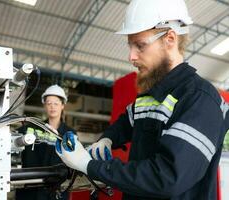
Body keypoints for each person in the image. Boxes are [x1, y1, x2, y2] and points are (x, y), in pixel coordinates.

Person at [55, 0, 228, 199]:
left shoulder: (200, 99)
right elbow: (126, 122)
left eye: (140, 45)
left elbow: (166, 177)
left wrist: (90, 165)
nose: (131, 56)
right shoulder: (151, 93)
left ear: (169, 39)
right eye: (130, 46)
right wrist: (107, 139)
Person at [16, 84, 76, 200]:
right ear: (44, 105)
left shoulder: (69, 134)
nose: (52, 107)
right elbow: (11, 137)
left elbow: (75, 161)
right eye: (49, 103)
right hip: (30, 190)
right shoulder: (31, 128)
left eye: (56, 103)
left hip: (56, 191)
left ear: (63, 105)